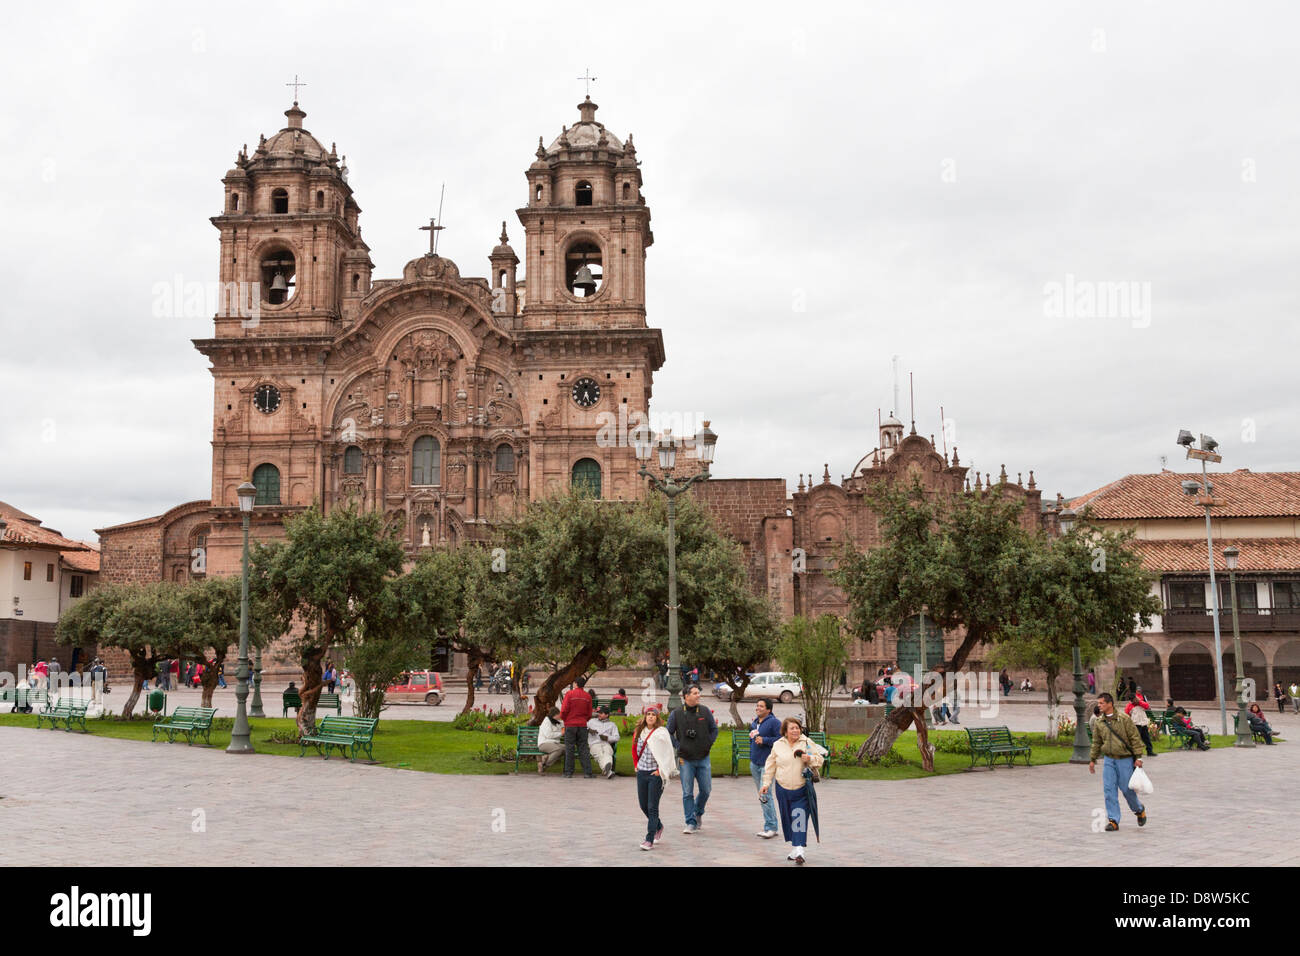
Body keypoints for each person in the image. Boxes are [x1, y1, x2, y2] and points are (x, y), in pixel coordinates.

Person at [760, 716, 827, 864]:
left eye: (798, 728)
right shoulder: (778, 745)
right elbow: (770, 766)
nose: (796, 730)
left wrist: (809, 759)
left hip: (802, 789)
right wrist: (765, 784)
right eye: (792, 728)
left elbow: (820, 760)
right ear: (785, 731)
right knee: (788, 819)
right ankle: (795, 848)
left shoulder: (807, 742)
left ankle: (800, 851)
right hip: (782, 789)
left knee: (799, 818)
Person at [1088, 692, 1147, 832]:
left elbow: (1134, 738)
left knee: (1127, 790)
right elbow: (1097, 742)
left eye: (1102, 703)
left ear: (1110, 704)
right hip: (1109, 759)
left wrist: (1138, 757)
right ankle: (1113, 820)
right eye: (1099, 703)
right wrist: (1092, 759)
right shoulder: (1099, 722)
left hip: (1124, 759)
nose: (1099, 706)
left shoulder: (1124, 719)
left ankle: (1139, 810)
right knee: (1109, 790)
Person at [667, 684, 717, 833]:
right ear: (686, 696)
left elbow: (714, 730)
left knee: (706, 790)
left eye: (698, 693)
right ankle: (690, 822)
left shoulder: (705, 711)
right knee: (687, 792)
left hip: (703, 757)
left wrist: (708, 743)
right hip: (685, 759)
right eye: (695, 693)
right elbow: (668, 733)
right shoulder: (676, 713)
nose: (698, 695)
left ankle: (698, 812)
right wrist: (678, 745)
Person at [633, 706, 676, 850]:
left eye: (653, 715)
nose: (650, 717)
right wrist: (636, 765)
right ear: (645, 717)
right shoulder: (640, 731)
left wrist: (660, 770)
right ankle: (658, 826)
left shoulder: (661, 733)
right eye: (648, 714)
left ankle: (649, 839)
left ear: (657, 718)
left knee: (652, 807)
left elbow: (668, 753)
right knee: (643, 805)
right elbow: (634, 749)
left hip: (655, 775)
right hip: (642, 773)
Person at [748, 698, 782, 838]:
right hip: (755, 763)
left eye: (761, 706)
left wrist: (765, 740)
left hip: (767, 765)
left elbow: (781, 740)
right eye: (757, 706)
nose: (758, 708)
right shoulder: (755, 722)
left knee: (765, 795)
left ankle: (771, 827)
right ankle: (770, 824)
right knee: (762, 795)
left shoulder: (774, 722)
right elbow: (754, 739)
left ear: (769, 709)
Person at [560, 676, 595, 778]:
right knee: (583, 748)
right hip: (582, 725)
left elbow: (564, 709)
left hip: (570, 725)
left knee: (569, 748)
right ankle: (587, 772)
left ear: (575, 683)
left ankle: (568, 772)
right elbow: (589, 713)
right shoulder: (587, 696)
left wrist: (565, 719)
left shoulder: (569, 694)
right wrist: (584, 720)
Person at [587, 705, 621, 778]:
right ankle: (608, 770)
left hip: (606, 743)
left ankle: (607, 771)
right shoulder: (591, 721)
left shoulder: (612, 725)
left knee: (608, 753)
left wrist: (607, 738)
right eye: (598, 712)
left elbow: (617, 737)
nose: (599, 714)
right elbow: (583, 727)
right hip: (594, 743)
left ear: (607, 715)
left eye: (601, 713)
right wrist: (589, 730)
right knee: (599, 753)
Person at [1124, 686, 1158, 757]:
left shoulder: (1141, 703)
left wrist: (1139, 702)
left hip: (1143, 723)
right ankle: (1135, 753)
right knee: (1136, 740)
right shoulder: (1129, 706)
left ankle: (1149, 751)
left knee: (1147, 739)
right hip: (1136, 724)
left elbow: (1147, 706)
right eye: (1134, 699)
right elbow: (1126, 715)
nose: (1135, 700)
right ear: (1131, 700)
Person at [537, 706, 565, 772]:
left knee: (567, 748)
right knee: (559, 749)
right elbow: (549, 735)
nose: (560, 716)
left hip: (554, 743)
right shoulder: (546, 722)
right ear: (554, 715)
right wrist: (561, 733)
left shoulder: (556, 721)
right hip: (544, 743)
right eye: (559, 714)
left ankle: (566, 770)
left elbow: (564, 724)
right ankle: (544, 764)